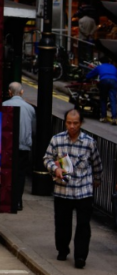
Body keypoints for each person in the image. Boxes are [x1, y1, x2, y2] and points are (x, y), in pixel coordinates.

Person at [43, 108, 102, 269]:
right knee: (62, 223)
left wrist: (97, 178)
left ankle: (80, 256)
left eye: (75, 123)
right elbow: (47, 158)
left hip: (83, 191)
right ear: (65, 123)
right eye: (69, 123)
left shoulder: (89, 142)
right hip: (63, 190)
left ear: (81, 123)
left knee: (83, 225)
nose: (72, 126)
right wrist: (55, 169)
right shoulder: (57, 140)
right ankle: (63, 249)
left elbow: (97, 163)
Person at [3, 82, 36, 211]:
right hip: (23, 147)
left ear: (9, 92)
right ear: (22, 92)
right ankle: (17, 201)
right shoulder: (30, 109)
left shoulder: (3, 106)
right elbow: (33, 130)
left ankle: (7, 200)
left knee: (7, 173)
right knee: (20, 175)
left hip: (7, 148)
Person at [85, 59, 117, 124]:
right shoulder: (113, 67)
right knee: (113, 100)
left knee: (103, 99)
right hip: (114, 81)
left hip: (104, 81)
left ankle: (103, 117)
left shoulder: (99, 67)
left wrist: (87, 78)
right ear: (109, 62)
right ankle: (114, 118)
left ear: (101, 62)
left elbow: (90, 75)